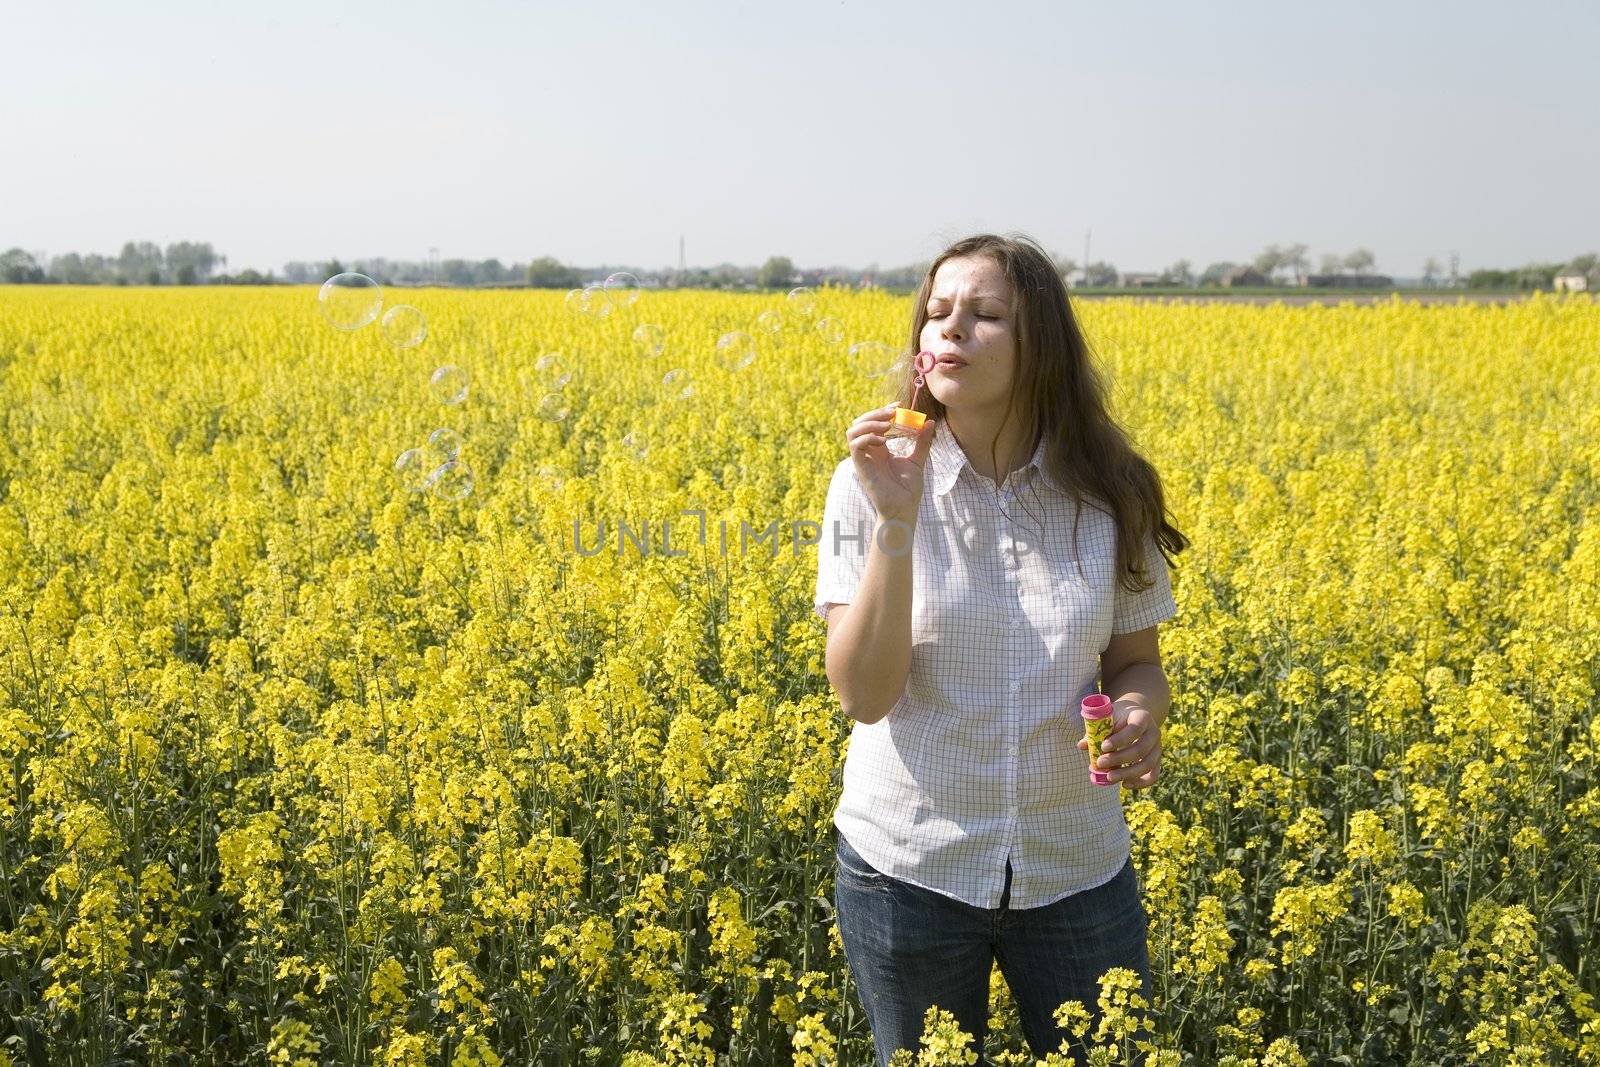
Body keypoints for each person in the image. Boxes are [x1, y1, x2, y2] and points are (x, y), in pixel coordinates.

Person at [813, 233, 1189, 1066]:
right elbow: (864, 697)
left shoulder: (1110, 491)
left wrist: (1137, 712)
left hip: (1075, 868)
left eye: (985, 316)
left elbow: (1137, 663)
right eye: (937, 313)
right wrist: (898, 519)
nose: (949, 331)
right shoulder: (864, 481)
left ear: (1041, 347)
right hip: (910, 867)